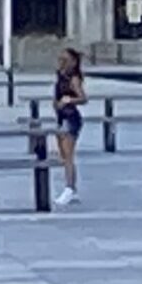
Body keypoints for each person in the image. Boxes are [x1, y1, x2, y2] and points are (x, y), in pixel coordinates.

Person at [51, 48, 87, 209]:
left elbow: (83, 98)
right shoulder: (60, 76)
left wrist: (69, 100)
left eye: (65, 60)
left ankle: (69, 188)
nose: (62, 62)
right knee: (63, 155)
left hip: (71, 118)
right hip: (61, 117)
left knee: (68, 156)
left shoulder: (73, 79)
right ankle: (72, 187)